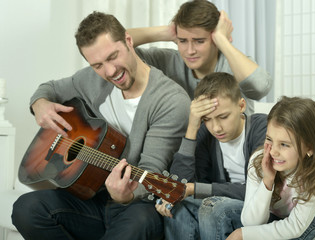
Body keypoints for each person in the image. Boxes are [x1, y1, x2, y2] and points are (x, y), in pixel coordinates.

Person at [11, 11, 190, 240]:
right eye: (97, 65)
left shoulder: (171, 101)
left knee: (140, 222)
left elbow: (150, 173)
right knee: (26, 209)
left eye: (113, 56)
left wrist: (123, 196)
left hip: (136, 204)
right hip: (92, 196)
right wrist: (40, 104)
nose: (110, 71)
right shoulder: (91, 79)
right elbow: (50, 88)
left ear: (128, 41)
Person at [155, 72, 268, 240]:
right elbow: (179, 185)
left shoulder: (262, 127)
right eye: (207, 119)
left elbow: (260, 189)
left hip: (256, 210)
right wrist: (193, 127)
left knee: (214, 207)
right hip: (217, 205)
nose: (216, 128)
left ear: (241, 106)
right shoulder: (205, 134)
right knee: (178, 206)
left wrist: (195, 189)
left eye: (223, 117)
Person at [128, 0, 272, 116]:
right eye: (183, 41)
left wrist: (222, 40)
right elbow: (115, 46)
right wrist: (165, 32)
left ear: (214, 38)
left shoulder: (235, 64)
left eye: (199, 41)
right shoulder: (168, 61)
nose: (190, 51)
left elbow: (260, 88)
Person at [227, 96, 315, 240]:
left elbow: (294, 227)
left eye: (284, 144)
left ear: (310, 147)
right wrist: (267, 180)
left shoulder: (314, 176)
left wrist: (243, 234)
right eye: (269, 139)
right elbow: (251, 222)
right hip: (278, 215)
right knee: (216, 210)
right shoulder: (259, 160)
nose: (273, 151)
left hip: (314, 218)